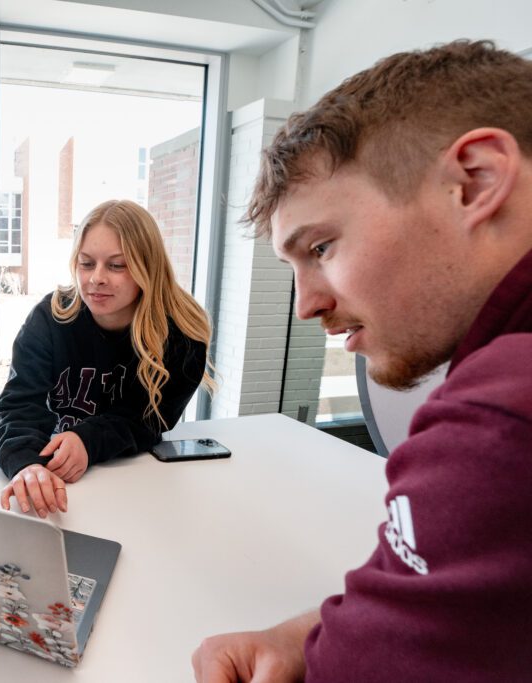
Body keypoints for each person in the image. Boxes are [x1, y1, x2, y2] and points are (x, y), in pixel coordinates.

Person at [192, 40, 532, 682]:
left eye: (321, 246)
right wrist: (305, 636)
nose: (306, 306)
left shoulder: (504, 412)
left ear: (475, 181)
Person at [0, 199, 214, 517]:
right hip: (55, 481)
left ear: (147, 268)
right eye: (86, 263)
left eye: (116, 265)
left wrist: (87, 441)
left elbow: (148, 419)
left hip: (135, 491)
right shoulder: (50, 316)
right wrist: (26, 464)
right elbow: (18, 405)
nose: (96, 278)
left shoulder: (182, 335)